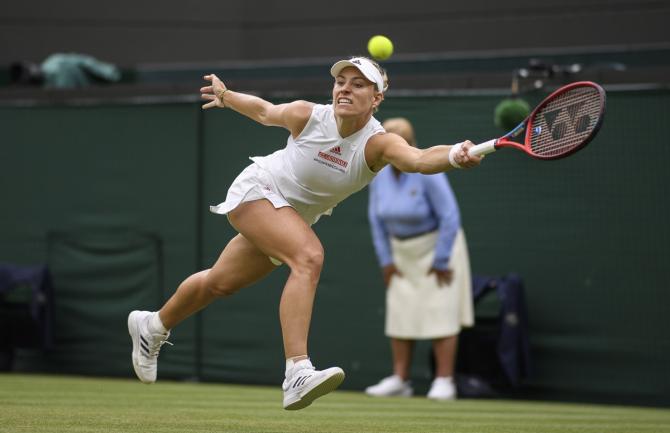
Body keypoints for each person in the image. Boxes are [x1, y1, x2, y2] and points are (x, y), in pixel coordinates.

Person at [127, 56, 482, 410]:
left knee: (218, 283)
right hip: (258, 190)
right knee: (308, 257)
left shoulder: (379, 144)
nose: (345, 88)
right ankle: (297, 371)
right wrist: (227, 96)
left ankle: (153, 325)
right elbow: (265, 112)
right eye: (341, 81)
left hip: (291, 216)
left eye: (358, 84)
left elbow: (418, 160)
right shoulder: (309, 115)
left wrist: (454, 154)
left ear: (376, 99)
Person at [365, 117, 475, 401]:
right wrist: (386, 260)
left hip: (439, 248)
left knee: (441, 313)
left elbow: (450, 216)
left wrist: (440, 261)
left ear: (410, 144)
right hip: (401, 254)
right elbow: (376, 221)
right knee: (401, 315)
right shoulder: (378, 175)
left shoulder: (429, 171)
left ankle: (444, 380)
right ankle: (400, 380)